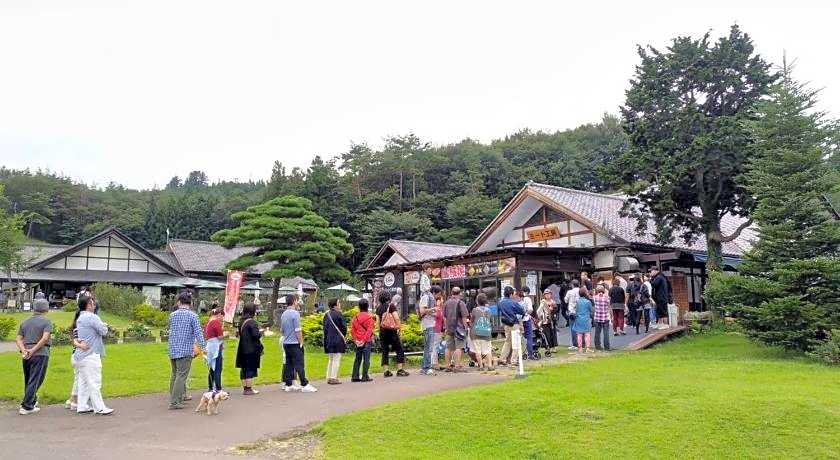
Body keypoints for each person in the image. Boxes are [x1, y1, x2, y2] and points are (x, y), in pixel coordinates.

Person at [73, 296, 115, 415]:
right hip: (91, 353)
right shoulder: (92, 317)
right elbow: (103, 331)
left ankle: (82, 406)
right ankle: (99, 407)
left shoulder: (80, 317)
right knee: (94, 381)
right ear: (88, 305)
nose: (94, 305)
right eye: (92, 303)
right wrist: (104, 325)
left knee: (83, 382)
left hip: (80, 355)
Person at [167, 291, 206, 409]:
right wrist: (203, 347)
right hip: (185, 349)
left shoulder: (172, 315)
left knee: (175, 374)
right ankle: (175, 401)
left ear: (179, 302)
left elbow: (170, 330)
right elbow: (198, 333)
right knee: (181, 375)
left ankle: (177, 397)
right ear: (191, 303)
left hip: (173, 348)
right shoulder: (193, 316)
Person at [16, 294, 52, 415]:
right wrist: (34, 349)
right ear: (46, 309)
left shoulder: (25, 322)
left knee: (29, 379)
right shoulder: (47, 322)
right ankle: (27, 406)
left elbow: (19, 339)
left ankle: (31, 400)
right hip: (41, 353)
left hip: (26, 354)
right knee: (36, 379)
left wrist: (24, 350)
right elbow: (45, 338)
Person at [281, 294, 317, 392]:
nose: (298, 303)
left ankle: (288, 384)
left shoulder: (284, 314)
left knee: (289, 363)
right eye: (297, 301)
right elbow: (298, 330)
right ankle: (304, 384)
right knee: (299, 364)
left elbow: (282, 330)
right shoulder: (295, 314)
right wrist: (301, 342)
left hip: (286, 342)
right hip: (294, 343)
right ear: (294, 301)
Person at [376, 292, 409, 377]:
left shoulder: (378, 308)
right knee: (399, 349)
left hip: (383, 332)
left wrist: (380, 331)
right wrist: (399, 328)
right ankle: (400, 370)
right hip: (392, 332)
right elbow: (396, 318)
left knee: (385, 351)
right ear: (388, 298)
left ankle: (386, 371)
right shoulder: (391, 306)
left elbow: (377, 323)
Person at [236, 304, 263, 395]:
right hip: (251, 348)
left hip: (242, 347)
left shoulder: (241, 321)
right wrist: (261, 333)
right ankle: (249, 389)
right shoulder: (252, 322)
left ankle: (245, 388)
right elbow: (255, 335)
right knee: (250, 368)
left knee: (243, 368)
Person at [443, 287, 469, 372]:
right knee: (459, 347)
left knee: (448, 347)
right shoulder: (461, 303)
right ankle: (457, 366)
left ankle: (447, 365)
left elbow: (444, 317)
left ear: (451, 293)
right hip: (459, 328)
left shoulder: (446, 303)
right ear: (459, 293)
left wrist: (446, 327)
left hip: (449, 328)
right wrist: (466, 327)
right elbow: (464, 317)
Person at [418, 286, 442, 375]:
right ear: (434, 292)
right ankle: (426, 368)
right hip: (427, 325)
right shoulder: (426, 297)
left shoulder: (430, 299)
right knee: (429, 347)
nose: (438, 297)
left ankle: (424, 367)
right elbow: (422, 311)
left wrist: (434, 311)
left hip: (430, 324)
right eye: (438, 295)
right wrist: (433, 309)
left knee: (428, 347)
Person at [498, 286, 524, 366]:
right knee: (516, 342)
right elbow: (521, 311)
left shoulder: (500, 302)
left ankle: (502, 359)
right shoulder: (513, 302)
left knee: (507, 342)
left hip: (506, 324)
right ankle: (514, 361)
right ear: (511, 294)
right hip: (514, 324)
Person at [323, 298, 347, 385]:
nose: (340, 304)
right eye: (338, 303)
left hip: (329, 339)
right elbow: (344, 327)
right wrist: (343, 336)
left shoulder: (326, 315)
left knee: (331, 359)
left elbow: (324, 328)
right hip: (338, 340)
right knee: (336, 359)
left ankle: (329, 376)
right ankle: (333, 377)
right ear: (335, 305)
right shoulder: (339, 314)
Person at [350, 299, 375, 382]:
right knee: (366, 359)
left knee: (357, 359)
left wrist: (356, 340)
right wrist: (364, 340)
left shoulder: (355, 317)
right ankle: (365, 376)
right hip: (366, 341)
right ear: (367, 306)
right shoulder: (370, 318)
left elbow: (352, 330)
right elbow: (369, 331)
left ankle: (355, 376)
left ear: (359, 307)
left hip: (358, 341)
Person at [470, 293, 494, 370]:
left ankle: (480, 366)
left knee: (478, 350)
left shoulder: (474, 310)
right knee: (488, 350)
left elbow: (472, 321)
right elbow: (490, 321)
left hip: (476, 333)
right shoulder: (489, 310)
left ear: (477, 301)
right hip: (486, 333)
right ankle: (490, 365)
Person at [205, 307, 226, 393]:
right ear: (219, 314)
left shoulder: (209, 321)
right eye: (222, 317)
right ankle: (218, 388)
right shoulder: (216, 322)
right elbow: (220, 336)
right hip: (216, 347)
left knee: (212, 367)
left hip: (210, 346)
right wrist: (226, 334)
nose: (222, 319)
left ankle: (211, 387)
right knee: (217, 368)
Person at [572, 286, 593, 353]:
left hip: (578, 319)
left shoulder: (577, 302)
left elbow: (576, 310)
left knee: (579, 334)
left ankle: (580, 348)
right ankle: (587, 348)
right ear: (585, 293)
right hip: (586, 319)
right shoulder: (588, 302)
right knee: (587, 334)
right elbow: (591, 310)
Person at [592, 285, 611, 351]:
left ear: (597, 291)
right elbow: (609, 307)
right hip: (605, 317)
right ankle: (607, 347)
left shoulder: (594, 297)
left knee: (597, 332)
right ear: (603, 290)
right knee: (606, 333)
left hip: (597, 317)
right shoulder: (607, 297)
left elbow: (594, 306)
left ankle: (597, 346)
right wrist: (611, 316)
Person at [564, 280, 581, 350]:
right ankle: (581, 343)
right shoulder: (581, 291)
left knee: (573, 328)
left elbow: (565, 300)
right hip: (580, 311)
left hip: (572, 312)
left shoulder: (570, 292)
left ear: (572, 285)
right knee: (580, 328)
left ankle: (575, 344)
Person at [520, 287, 535, 359]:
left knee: (520, 337)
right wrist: (526, 314)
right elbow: (530, 309)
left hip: (519, 321)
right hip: (526, 319)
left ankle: (522, 353)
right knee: (529, 337)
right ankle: (530, 354)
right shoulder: (528, 299)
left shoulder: (518, 299)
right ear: (527, 292)